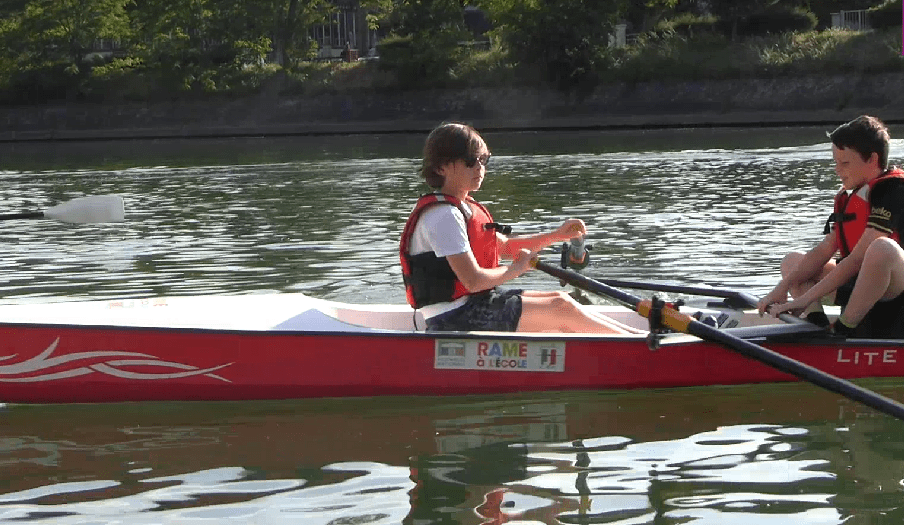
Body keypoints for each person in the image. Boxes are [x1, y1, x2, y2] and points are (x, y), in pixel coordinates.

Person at [399, 122, 638, 334]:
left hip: (474, 304)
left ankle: (636, 339)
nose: (479, 168)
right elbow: (472, 281)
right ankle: (640, 349)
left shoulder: (463, 207)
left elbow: (505, 247)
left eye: (484, 160)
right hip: (453, 318)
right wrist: (516, 269)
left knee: (561, 299)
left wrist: (556, 235)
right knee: (560, 309)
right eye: (470, 161)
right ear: (441, 168)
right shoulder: (443, 216)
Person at [758, 115, 904, 338]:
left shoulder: (893, 189)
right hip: (856, 282)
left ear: (872, 160)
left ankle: (843, 330)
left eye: (844, 163)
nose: (837, 170)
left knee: (881, 248)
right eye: (835, 162)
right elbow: (826, 249)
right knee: (793, 262)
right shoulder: (849, 196)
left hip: (894, 286)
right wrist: (782, 288)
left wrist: (801, 299)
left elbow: (858, 258)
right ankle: (815, 324)